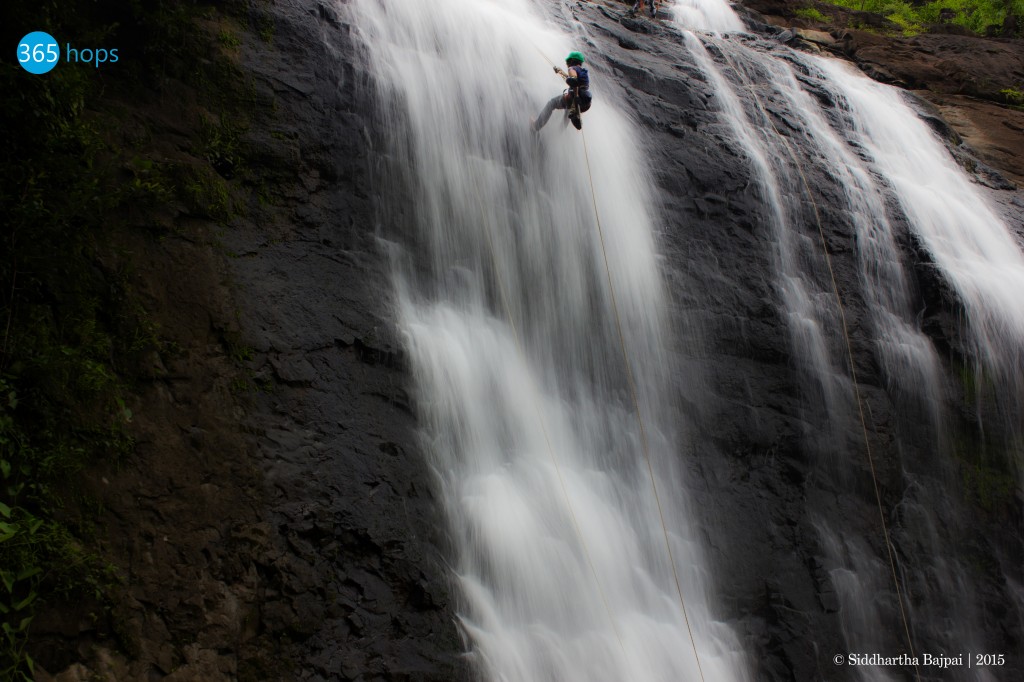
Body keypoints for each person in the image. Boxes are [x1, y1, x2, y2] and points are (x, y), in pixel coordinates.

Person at [530, 51, 592, 132]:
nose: (567, 64)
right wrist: (560, 72)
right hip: (586, 102)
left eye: (568, 62)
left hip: (575, 98)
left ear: (571, 61)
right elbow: (573, 79)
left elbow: (573, 81)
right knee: (568, 110)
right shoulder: (583, 72)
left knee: (551, 103)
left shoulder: (572, 68)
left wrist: (576, 97)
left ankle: (536, 127)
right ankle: (561, 131)